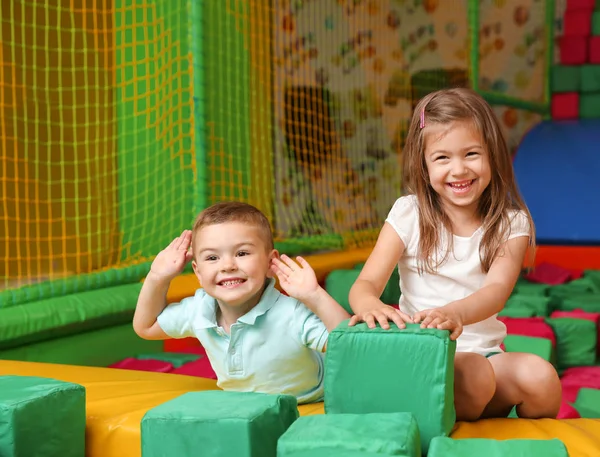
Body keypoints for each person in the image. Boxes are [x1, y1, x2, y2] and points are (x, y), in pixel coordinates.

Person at [348, 88, 561, 421]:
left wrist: (456, 314)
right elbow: (366, 282)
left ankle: (527, 439)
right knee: (473, 375)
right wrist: (369, 304)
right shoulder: (409, 213)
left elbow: (496, 291)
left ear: (493, 154)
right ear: (424, 164)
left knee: (542, 378)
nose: (459, 169)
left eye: (471, 154)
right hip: (425, 356)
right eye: (442, 158)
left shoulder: (510, 222)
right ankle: (439, 419)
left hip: (487, 357)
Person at [133, 201, 349, 404]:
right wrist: (157, 277)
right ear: (197, 272)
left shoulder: (290, 314)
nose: (227, 265)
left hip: (311, 400)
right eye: (212, 258)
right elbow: (146, 327)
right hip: (250, 409)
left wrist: (315, 295)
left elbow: (352, 346)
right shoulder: (198, 309)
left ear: (269, 261)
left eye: (242, 253)